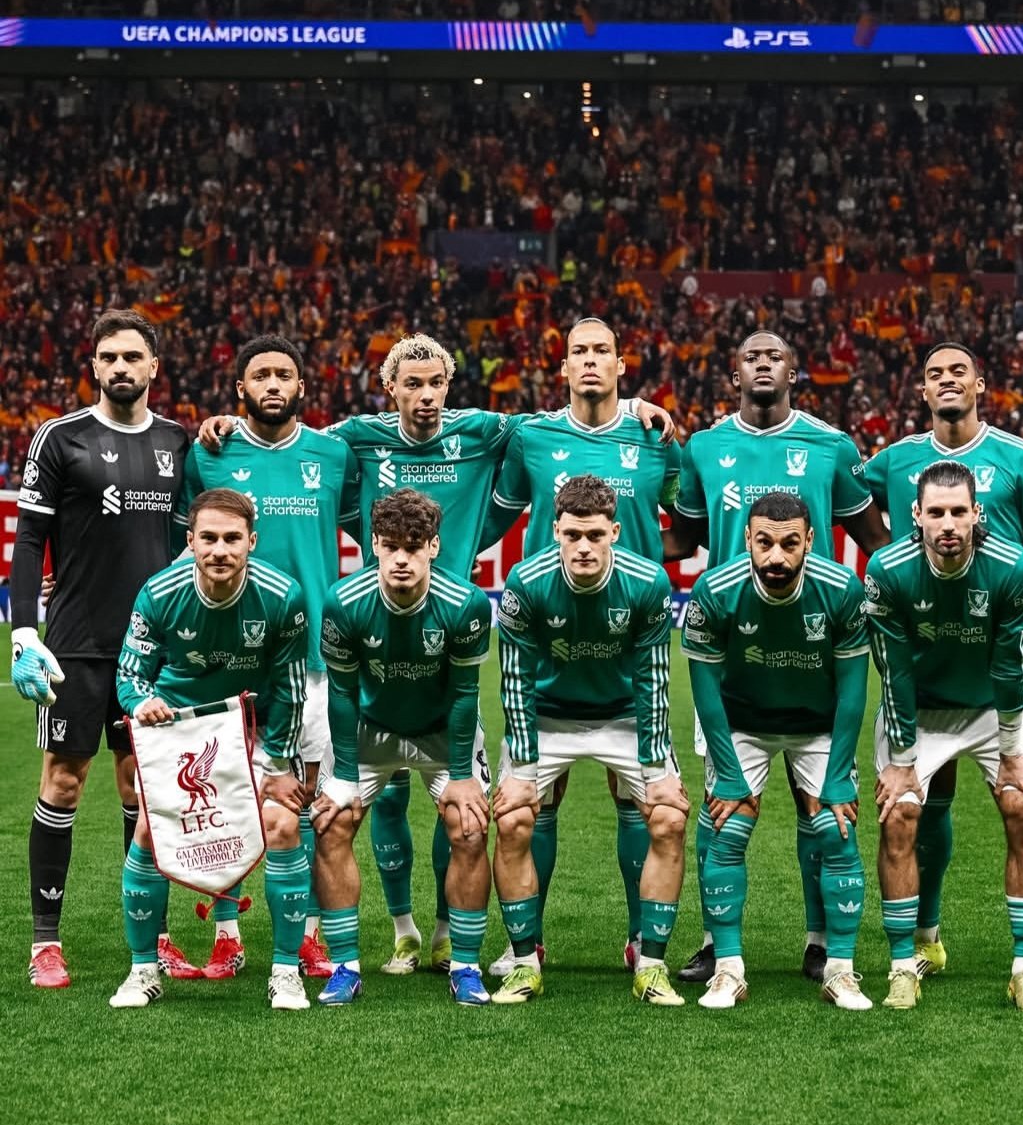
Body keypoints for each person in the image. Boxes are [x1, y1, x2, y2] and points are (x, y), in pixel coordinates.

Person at [199, 332, 671, 976]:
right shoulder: (356, 436)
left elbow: (561, 419)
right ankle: (403, 931)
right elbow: (288, 438)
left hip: (451, 623)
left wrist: (632, 403)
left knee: (461, 802)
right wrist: (233, 424)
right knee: (383, 799)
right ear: (389, 388)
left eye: (435, 384)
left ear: (449, 386)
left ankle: (451, 934)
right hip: (379, 624)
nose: (425, 396)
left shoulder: (482, 429)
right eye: (412, 384)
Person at [664, 329, 890, 985]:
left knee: (819, 812)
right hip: (734, 656)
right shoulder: (704, 448)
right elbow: (681, 538)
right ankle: (715, 943)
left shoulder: (831, 445)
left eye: (775, 356)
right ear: (734, 373)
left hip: (814, 652)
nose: (763, 364)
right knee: (721, 811)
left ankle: (819, 943)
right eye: (750, 357)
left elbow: (875, 539)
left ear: (795, 371)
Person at [864, 341, 1023, 988]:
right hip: (929, 654)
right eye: (936, 373)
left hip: (1010, 655)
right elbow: (842, 499)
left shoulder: (1020, 456)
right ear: (922, 390)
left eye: (959, 370)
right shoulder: (894, 460)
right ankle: (925, 938)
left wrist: (1012, 601)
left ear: (980, 384)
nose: (948, 380)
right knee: (928, 803)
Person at [479, 316, 682, 977]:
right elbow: (494, 514)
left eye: (602, 351)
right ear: (562, 367)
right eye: (579, 352)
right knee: (534, 804)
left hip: (629, 645)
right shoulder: (531, 436)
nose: (590, 360)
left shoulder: (655, 436)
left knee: (640, 803)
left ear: (622, 365)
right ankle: (527, 945)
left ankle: (641, 942)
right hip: (550, 653)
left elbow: (689, 523)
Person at [9, 309, 197, 988]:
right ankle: (45, 941)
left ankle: (155, 936)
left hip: (152, 649)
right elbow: (30, 540)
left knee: (143, 787)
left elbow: (189, 538)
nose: (121, 367)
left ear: (154, 367)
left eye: (132, 356)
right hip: (77, 644)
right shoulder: (60, 437)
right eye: (109, 356)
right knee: (64, 779)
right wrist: (24, 632)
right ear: (93, 366)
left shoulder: (178, 441)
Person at [176, 334, 360, 981]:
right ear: (241, 389)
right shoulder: (210, 452)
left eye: (284, 374)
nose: (273, 383)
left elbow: (372, 531)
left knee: (304, 801)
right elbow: (183, 541)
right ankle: (226, 935)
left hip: (310, 661)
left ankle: (304, 934)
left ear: (302, 387)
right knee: (219, 800)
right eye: (261, 375)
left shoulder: (333, 454)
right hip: (225, 662)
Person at [111, 488, 311, 1010]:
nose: (220, 550)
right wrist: (143, 702)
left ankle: (286, 972)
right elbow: (130, 673)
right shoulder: (159, 592)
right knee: (149, 831)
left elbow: (291, 689)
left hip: (250, 722)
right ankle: (142, 969)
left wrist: (278, 765)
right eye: (209, 538)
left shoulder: (282, 596)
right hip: (180, 727)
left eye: (231, 539)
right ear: (191, 541)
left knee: (283, 825)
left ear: (252, 542)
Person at [492, 476, 687, 1006]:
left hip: (624, 716)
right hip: (548, 716)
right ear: (555, 530)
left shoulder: (647, 582)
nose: (583, 546)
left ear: (614, 533)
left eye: (595, 535)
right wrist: (522, 771)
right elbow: (514, 680)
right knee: (512, 819)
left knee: (669, 817)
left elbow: (654, 680)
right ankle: (525, 958)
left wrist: (657, 770)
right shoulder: (526, 581)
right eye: (573, 534)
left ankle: (649, 959)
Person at [866, 460, 1023, 1013]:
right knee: (899, 815)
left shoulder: (1013, 567)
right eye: (937, 512)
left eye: (958, 512)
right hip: (919, 711)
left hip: (991, 709)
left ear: (977, 514)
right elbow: (894, 671)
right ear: (916, 515)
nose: (948, 524)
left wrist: (1013, 751)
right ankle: (904, 965)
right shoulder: (887, 570)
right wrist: (901, 762)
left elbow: (1009, 665)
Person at [682, 492, 872, 1010]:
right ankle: (728, 969)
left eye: (789, 544)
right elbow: (706, 691)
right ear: (747, 538)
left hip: (817, 725)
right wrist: (727, 771)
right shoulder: (714, 591)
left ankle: (841, 971)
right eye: (764, 542)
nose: (776, 557)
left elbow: (854, 691)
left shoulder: (842, 589)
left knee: (836, 828)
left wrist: (838, 776)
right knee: (727, 827)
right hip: (743, 723)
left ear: (810, 540)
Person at [308, 489, 494, 1006]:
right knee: (331, 824)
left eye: (413, 547)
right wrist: (345, 775)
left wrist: (462, 776)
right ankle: (345, 968)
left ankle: (465, 966)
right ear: (374, 545)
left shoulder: (465, 604)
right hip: (370, 729)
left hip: (442, 732)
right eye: (390, 546)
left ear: (434, 546)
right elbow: (342, 694)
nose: (401, 559)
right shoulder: (344, 602)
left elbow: (465, 695)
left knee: (469, 827)